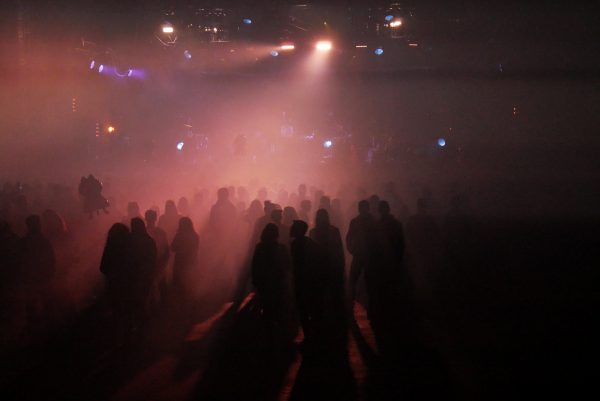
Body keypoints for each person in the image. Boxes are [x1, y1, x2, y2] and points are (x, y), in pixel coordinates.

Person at [309, 209, 346, 350]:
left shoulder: (313, 232)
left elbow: (310, 253)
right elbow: (339, 251)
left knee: (319, 297)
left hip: (319, 269)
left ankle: (320, 326)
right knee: (334, 296)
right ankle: (336, 325)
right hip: (332, 267)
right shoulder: (334, 231)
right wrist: (341, 266)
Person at [251, 223, 292, 342]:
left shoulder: (259, 247)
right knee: (279, 308)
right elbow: (288, 265)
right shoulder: (281, 248)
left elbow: (255, 265)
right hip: (278, 282)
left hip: (264, 283)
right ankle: (280, 335)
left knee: (267, 307)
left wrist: (255, 279)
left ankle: (268, 334)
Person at [290, 220, 325, 350]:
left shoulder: (295, 244)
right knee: (311, 309)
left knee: (304, 309)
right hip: (310, 281)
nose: (291, 229)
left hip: (302, 281)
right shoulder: (311, 243)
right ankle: (315, 335)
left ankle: (310, 336)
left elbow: (295, 264)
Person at [100, 223, 133, 344]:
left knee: (116, 311)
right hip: (127, 284)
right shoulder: (130, 248)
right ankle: (128, 338)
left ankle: (117, 338)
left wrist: (112, 273)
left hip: (114, 284)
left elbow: (103, 267)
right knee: (127, 311)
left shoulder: (110, 248)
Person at [346, 200, 377, 308]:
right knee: (369, 280)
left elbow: (349, 238)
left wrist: (352, 250)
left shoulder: (356, 221)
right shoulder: (372, 221)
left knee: (354, 279)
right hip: (367, 255)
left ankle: (351, 302)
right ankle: (371, 302)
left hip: (360, 254)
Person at [130, 218, 157, 323]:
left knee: (137, 301)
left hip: (135, 276)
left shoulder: (129, 240)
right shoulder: (149, 240)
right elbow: (153, 258)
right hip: (145, 275)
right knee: (143, 300)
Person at [145, 209, 170, 307]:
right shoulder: (161, 232)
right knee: (161, 290)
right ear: (155, 218)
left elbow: (166, 250)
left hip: (149, 266)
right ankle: (163, 309)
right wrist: (164, 264)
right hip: (158, 264)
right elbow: (167, 251)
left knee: (148, 291)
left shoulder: (143, 232)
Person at [171, 217, 199, 302]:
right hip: (191, 262)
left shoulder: (179, 235)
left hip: (180, 262)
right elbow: (196, 249)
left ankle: (179, 302)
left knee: (178, 285)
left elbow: (172, 247)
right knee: (188, 284)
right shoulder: (195, 236)